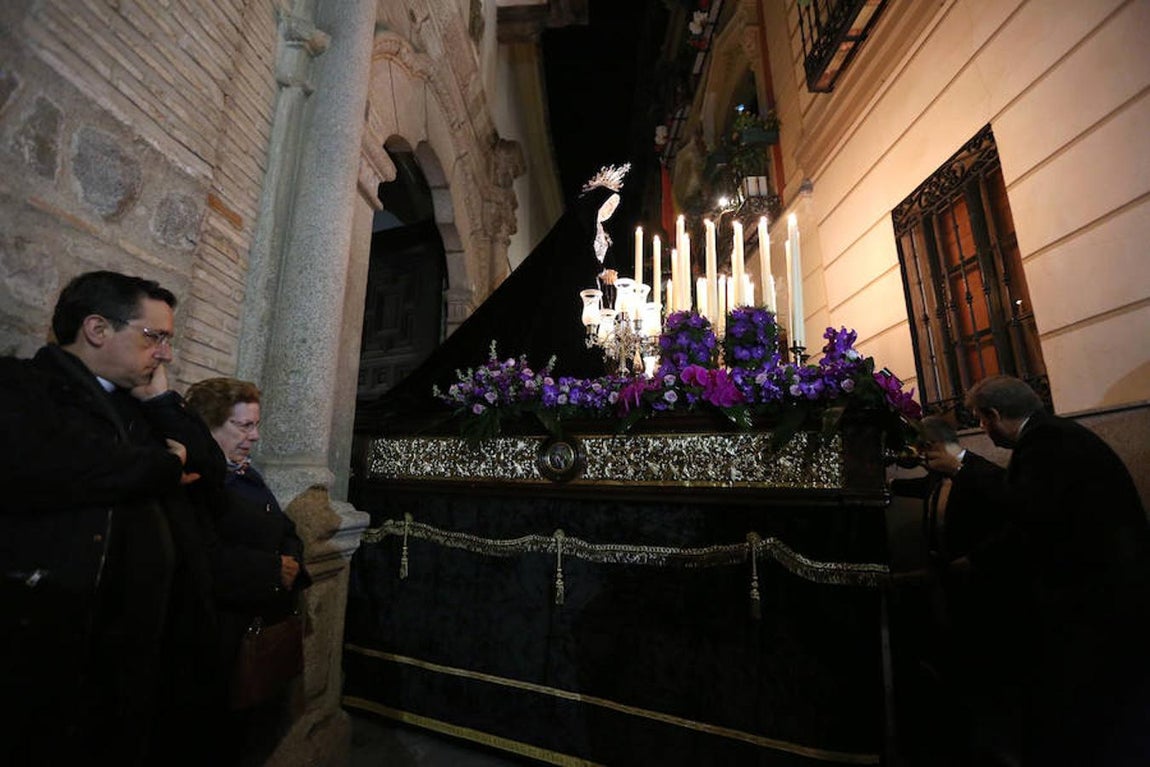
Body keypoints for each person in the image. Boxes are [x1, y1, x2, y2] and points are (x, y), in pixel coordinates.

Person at [0, 270, 225, 765]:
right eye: (156, 337)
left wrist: (163, 401)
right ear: (98, 330)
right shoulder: (24, 386)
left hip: (148, 655)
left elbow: (211, 469)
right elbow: (62, 464)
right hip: (67, 654)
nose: (165, 353)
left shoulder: (140, 404)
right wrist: (165, 464)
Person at [960, 374, 1150, 765]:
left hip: (1095, 596)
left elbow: (1030, 511)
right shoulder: (1054, 435)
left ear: (994, 415)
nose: (982, 428)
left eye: (980, 419)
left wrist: (964, 465)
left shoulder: (1046, 443)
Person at [185, 377, 311, 766]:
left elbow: (286, 529)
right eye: (244, 426)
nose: (254, 437)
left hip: (259, 632)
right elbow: (200, 557)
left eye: (255, 425)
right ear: (208, 427)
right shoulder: (196, 484)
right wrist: (273, 569)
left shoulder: (247, 474)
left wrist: (291, 563)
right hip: (219, 638)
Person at [889, 416, 1009, 766]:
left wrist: (975, 559)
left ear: (937, 446)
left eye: (925, 451)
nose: (923, 460)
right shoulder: (936, 479)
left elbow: (1008, 525)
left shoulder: (983, 475)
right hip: (945, 581)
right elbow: (917, 490)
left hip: (980, 586)